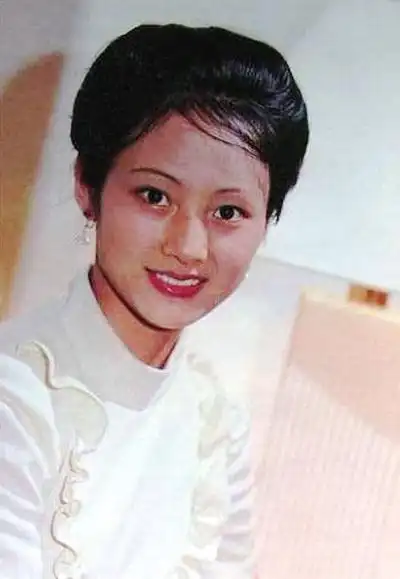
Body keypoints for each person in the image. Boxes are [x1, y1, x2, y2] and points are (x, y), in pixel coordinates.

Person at [0, 23, 308, 579]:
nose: (188, 248)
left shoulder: (213, 422)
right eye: (155, 196)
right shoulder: (14, 395)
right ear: (88, 186)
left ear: (267, 222)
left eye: (228, 212)